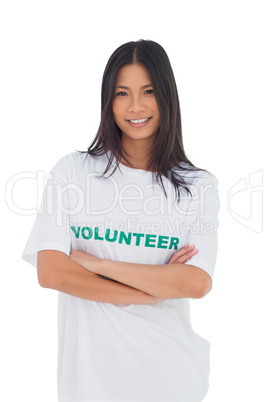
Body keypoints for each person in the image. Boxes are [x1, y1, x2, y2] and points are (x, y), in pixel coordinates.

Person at [22, 39, 220, 402]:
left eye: (147, 91)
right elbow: (51, 272)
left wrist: (96, 264)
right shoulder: (74, 173)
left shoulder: (198, 187)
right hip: (88, 386)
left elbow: (195, 282)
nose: (136, 106)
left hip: (171, 380)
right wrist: (153, 290)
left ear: (166, 96)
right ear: (107, 102)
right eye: (122, 93)